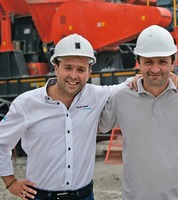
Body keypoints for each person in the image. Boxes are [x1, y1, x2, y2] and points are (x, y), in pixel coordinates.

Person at [0, 33, 132, 200]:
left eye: (81, 69)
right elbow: (1, 142)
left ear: (89, 72)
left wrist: (168, 78)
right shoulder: (27, 103)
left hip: (84, 195)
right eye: (68, 67)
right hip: (41, 196)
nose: (74, 75)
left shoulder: (96, 96)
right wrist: (10, 182)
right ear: (56, 67)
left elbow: (130, 84)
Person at [99, 25, 178, 200]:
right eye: (148, 62)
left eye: (162, 62)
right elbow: (90, 124)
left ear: (172, 62)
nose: (155, 69)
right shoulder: (121, 97)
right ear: (138, 62)